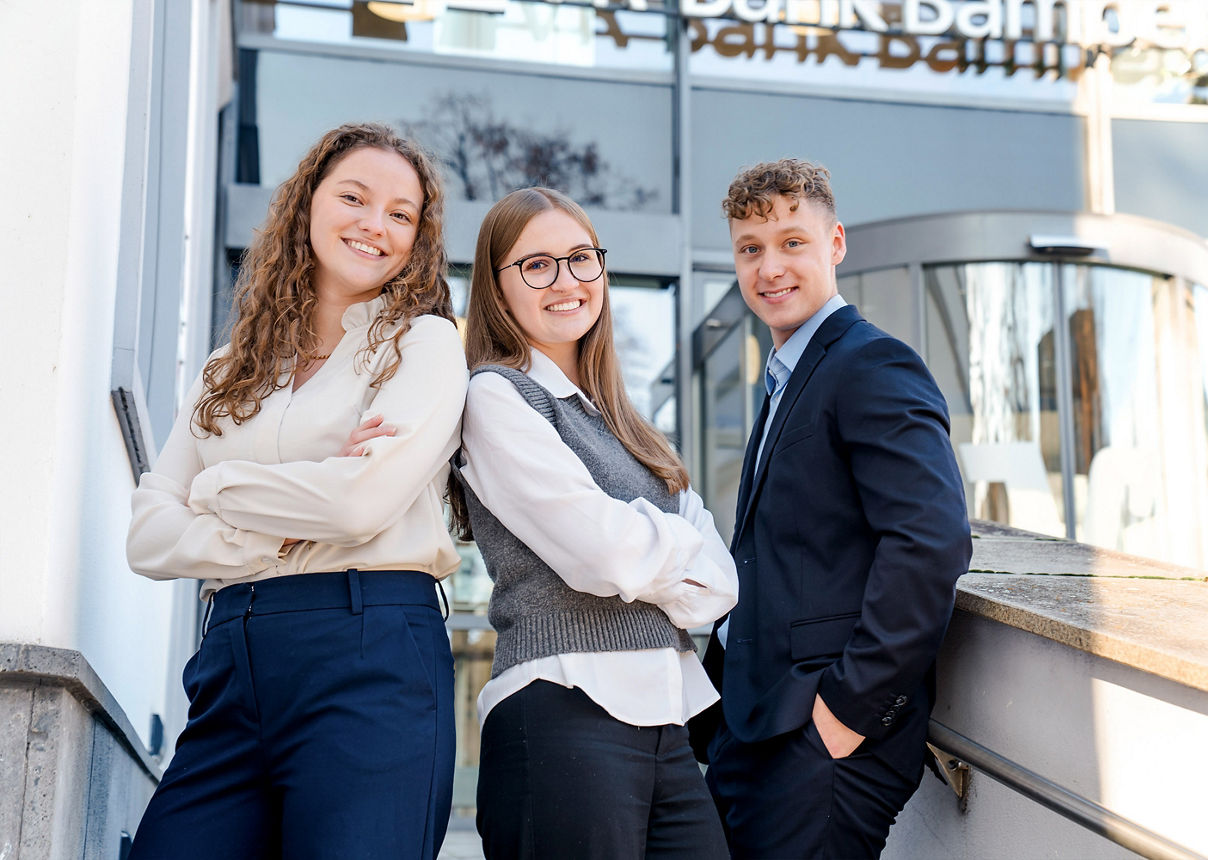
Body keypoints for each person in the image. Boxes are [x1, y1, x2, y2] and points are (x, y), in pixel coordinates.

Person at [125, 122, 467, 859]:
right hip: (231, 658)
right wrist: (285, 514)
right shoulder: (227, 370)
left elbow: (356, 505)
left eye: (401, 214)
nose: (375, 225)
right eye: (354, 197)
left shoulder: (425, 346)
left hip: (368, 655)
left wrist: (214, 485)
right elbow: (148, 536)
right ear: (308, 203)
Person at [693, 158, 972, 859]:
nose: (770, 268)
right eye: (750, 249)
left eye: (793, 242)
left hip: (822, 743)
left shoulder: (872, 365)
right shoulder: (788, 376)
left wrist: (846, 712)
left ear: (835, 244)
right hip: (755, 731)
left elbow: (930, 542)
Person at [449, 187, 737, 859]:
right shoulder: (497, 395)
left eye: (581, 259)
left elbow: (720, 586)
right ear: (497, 287)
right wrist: (661, 542)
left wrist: (641, 543)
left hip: (668, 721)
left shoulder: (628, 427)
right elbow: (605, 557)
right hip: (562, 711)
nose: (566, 281)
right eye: (536, 265)